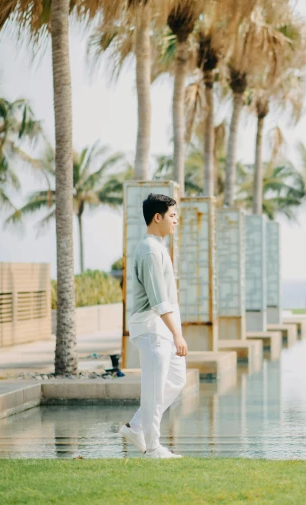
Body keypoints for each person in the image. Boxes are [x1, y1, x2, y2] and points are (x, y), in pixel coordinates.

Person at [118, 193, 189, 459]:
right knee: (154, 389)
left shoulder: (157, 247)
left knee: (176, 379)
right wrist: (178, 334)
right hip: (150, 329)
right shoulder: (149, 250)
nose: (176, 220)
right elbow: (159, 300)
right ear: (157, 217)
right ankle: (153, 447)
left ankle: (136, 427)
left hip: (161, 329)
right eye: (172, 215)